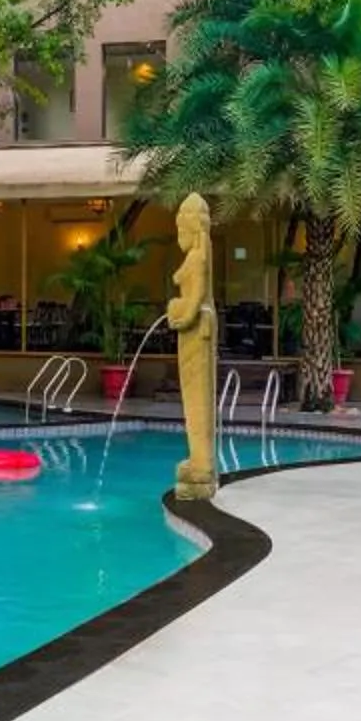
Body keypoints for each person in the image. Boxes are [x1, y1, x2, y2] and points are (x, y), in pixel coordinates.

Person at [171, 195, 218, 501]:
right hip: (195, 334)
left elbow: (195, 300)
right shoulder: (198, 257)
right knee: (193, 399)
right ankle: (199, 459)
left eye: (180, 229)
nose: (178, 236)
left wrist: (177, 313)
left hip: (194, 333)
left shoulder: (197, 258)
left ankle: (201, 464)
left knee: (197, 398)